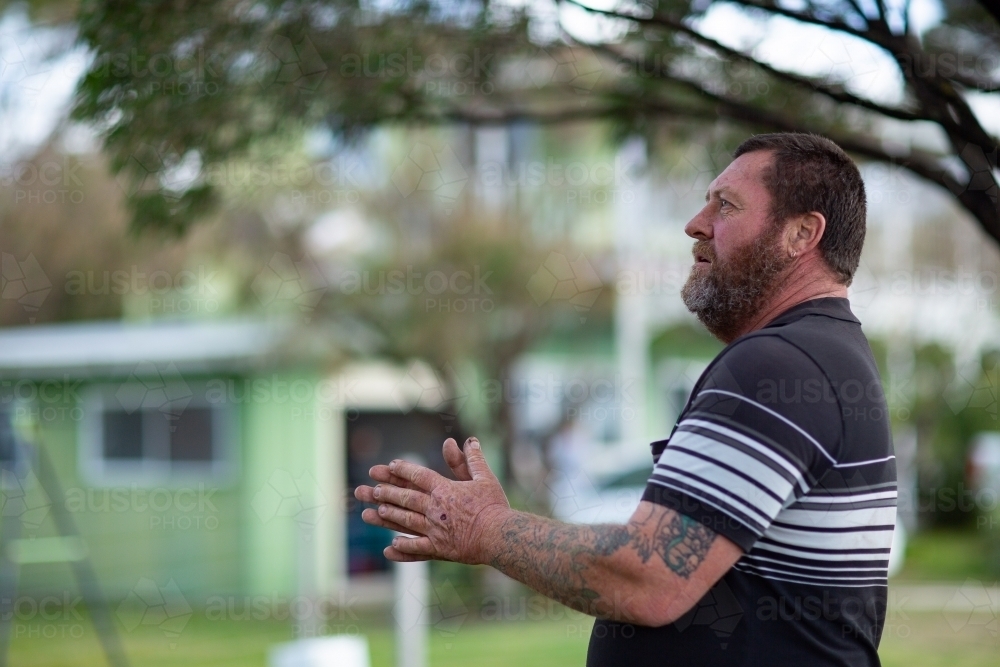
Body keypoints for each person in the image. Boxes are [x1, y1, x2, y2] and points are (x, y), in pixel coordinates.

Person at [355, 133, 896, 666]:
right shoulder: (817, 355)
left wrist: (485, 528)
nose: (696, 224)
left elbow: (651, 577)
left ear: (801, 233)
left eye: (725, 205)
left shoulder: (779, 365)